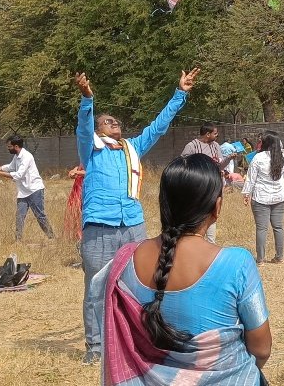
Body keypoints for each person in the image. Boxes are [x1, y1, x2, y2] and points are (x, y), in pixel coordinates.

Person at [92, 154, 272, 384]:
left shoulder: (125, 260)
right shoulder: (237, 263)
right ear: (217, 207)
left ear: (163, 204)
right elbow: (261, 349)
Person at [74, 68, 200, 366]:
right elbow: (84, 127)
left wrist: (180, 94)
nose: (114, 123)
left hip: (133, 225)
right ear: (98, 130)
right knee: (97, 288)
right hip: (99, 227)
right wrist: (87, 99)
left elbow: (158, 127)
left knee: (140, 283)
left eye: (116, 120)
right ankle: (96, 346)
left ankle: (138, 338)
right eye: (108, 121)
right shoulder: (90, 149)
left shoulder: (132, 148)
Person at [0, 136, 56, 242]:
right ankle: (18, 240)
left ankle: (51, 237)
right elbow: (10, 167)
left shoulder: (27, 156)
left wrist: (0, 173)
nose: (8, 149)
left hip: (34, 190)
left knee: (39, 215)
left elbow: (19, 175)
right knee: (19, 216)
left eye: (9, 147)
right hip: (23, 192)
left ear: (16, 146)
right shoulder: (17, 156)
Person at [243, 131, 284, 263]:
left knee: (261, 229)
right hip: (279, 197)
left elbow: (250, 178)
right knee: (278, 227)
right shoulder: (282, 157)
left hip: (261, 197)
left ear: (265, 143)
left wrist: (246, 194)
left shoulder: (258, 158)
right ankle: (279, 257)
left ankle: (260, 259)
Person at [182, 123, 231, 244]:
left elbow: (220, 165)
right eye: (215, 133)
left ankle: (210, 245)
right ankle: (195, 243)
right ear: (208, 134)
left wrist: (229, 159)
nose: (217, 135)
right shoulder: (192, 146)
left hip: (214, 187)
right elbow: (183, 165)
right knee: (198, 215)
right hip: (198, 187)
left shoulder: (216, 146)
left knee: (211, 214)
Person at [64, 165, 86, 241]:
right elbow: (77, 170)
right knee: (76, 214)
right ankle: (77, 236)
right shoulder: (82, 162)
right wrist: (73, 172)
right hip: (77, 190)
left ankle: (83, 236)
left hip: (85, 190)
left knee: (83, 213)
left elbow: (90, 172)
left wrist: (77, 172)